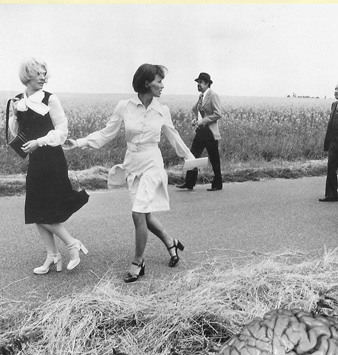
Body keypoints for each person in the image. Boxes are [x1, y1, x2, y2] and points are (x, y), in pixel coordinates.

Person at [64, 64, 195, 282]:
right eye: (159, 81)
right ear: (146, 83)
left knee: (137, 213)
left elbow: (174, 136)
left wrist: (190, 158)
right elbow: (107, 133)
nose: (162, 86)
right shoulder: (124, 107)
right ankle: (170, 241)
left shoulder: (162, 110)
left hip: (153, 165)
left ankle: (138, 261)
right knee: (144, 215)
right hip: (133, 167)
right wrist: (79, 142)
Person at [8, 57, 89, 275]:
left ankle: (72, 244)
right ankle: (52, 256)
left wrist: (39, 141)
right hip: (35, 161)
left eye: (44, 73)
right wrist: (15, 115)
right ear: (27, 76)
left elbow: (62, 131)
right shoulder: (19, 100)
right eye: (38, 73)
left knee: (46, 211)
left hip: (52, 158)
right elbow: (16, 133)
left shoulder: (49, 99)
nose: (43, 77)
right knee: (35, 209)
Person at [176, 72, 223, 191]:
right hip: (201, 131)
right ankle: (189, 182)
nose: (198, 84)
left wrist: (203, 121)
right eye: (198, 82)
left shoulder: (213, 95)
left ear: (207, 84)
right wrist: (196, 119)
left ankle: (218, 184)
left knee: (214, 158)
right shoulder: (201, 96)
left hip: (210, 132)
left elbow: (218, 114)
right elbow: (196, 110)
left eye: (201, 82)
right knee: (193, 156)